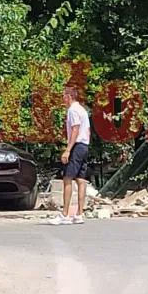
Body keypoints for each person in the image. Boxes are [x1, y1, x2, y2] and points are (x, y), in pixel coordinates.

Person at [50, 87, 91, 225]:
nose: (62, 98)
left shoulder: (72, 110)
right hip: (84, 145)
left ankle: (65, 214)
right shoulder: (82, 110)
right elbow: (88, 130)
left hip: (76, 145)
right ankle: (79, 214)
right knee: (80, 179)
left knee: (67, 178)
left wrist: (68, 150)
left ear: (69, 97)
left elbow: (75, 129)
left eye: (64, 96)